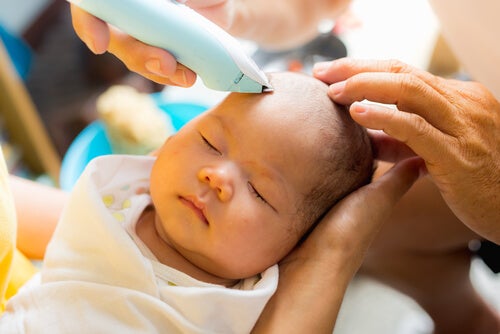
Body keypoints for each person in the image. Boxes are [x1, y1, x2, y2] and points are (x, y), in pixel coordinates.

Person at [0, 72, 377, 333]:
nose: (217, 176)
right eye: (210, 142)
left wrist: (331, 254)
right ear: (168, 141)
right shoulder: (121, 193)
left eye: (260, 191)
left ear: (295, 245)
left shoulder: (247, 307)